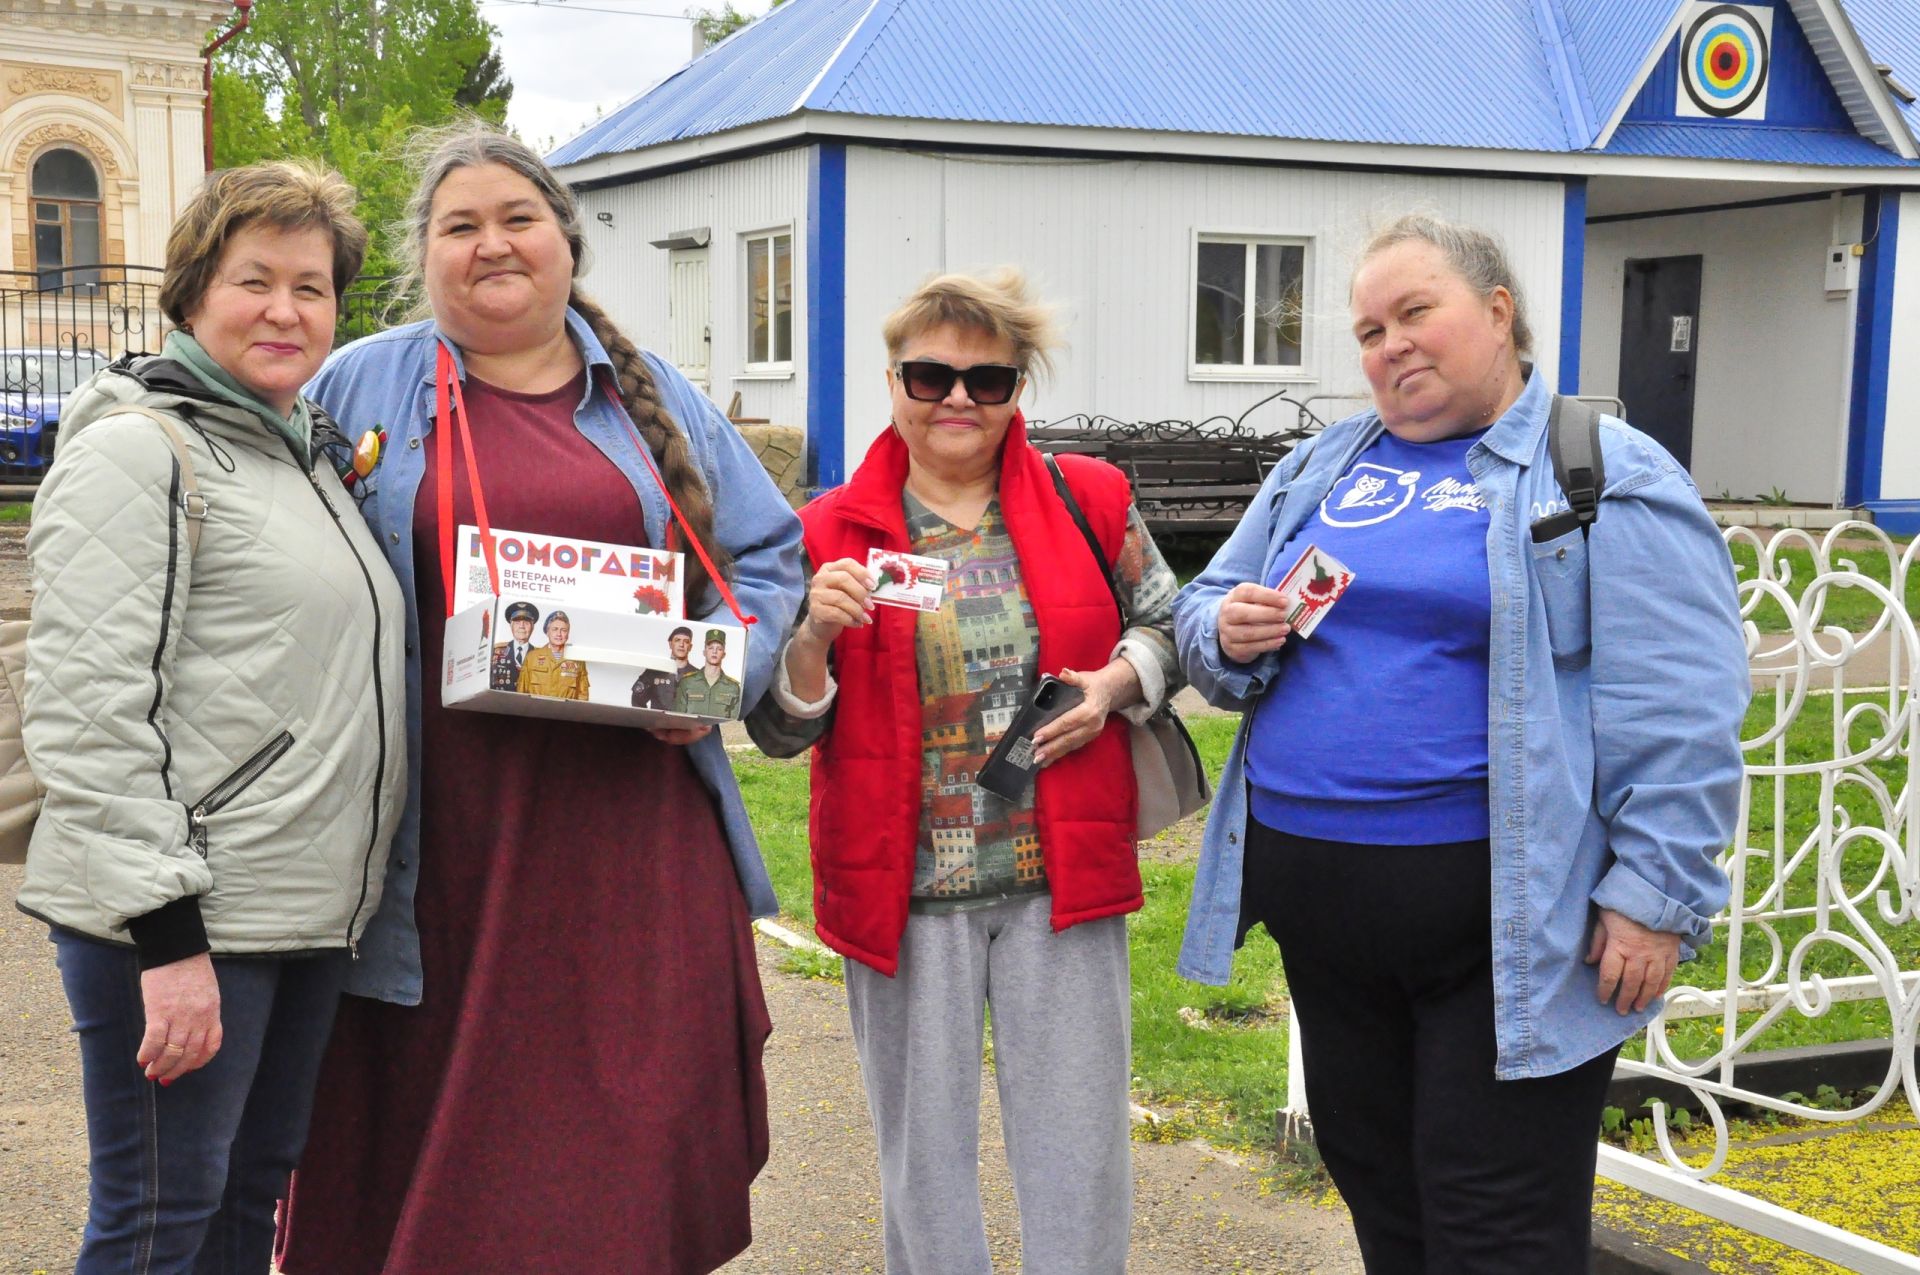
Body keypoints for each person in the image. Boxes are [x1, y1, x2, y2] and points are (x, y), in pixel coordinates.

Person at [275, 120, 803, 1275]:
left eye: (517, 219)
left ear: (566, 243)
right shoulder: (363, 382)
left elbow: (770, 563)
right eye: (459, 226)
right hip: (432, 849)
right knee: (426, 1148)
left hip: (626, 849)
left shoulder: (654, 396)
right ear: (427, 258)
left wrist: (720, 678)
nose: (492, 245)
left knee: (611, 1153)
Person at [1173, 213, 1748, 1273]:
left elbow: (1682, 703)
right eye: (1367, 329)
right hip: (1325, 917)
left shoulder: (1603, 475)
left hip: (1500, 925)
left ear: (1497, 313)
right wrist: (1226, 628)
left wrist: (1654, 895)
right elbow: (1204, 607)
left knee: (1495, 1227)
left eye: (1414, 312)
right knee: (1385, 1203)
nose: (1388, 344)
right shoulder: (1320, 467)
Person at [747, 268, 1184, 1275]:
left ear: (1016, 389)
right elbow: (778, 729)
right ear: (892, 379)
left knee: (1079, 1155)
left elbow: (1168, 623)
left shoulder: (1091, 500)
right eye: (932, 374)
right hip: (904, 893)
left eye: (986, 380)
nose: (956, 399)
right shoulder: (825, 537)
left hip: (1058, 883)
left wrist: (1118, 684)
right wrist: (813, 630)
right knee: (923, 1164)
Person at [14, 161, 406, 1274]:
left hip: (296, 916)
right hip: (184, 920)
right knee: (157, 1229)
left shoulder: (301, 455)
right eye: (255, 281)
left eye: (313, 287)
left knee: (244, 1211)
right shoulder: (145, 449)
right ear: (191, 296)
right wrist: (168, 939)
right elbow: (88, 711)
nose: (286, 309)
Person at [516, 609, 590, 700]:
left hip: (565, 713)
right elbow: (521, 694)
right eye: (554, 629)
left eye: (563, 630)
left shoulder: (577, 660)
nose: (559, 634)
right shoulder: (532, 657)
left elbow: (583, 697)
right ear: (547, 632)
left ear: (568, 634)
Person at [675, 626, 742, 717]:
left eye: (719, 649)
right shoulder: (687, 682)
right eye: (710, 648)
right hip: (690, 731)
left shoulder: (733, 687)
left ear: (724, 654)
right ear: (704, 652)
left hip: (718, 731)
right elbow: (677, 718)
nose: (714, 651)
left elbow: (733, 726)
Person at [633, 623, 693, 708]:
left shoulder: (698, 675)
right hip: (658, 721)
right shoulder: (655, 671)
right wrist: (650, 720)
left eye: (686, 642)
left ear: (690, 647)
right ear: (670, 644)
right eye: (677, 640)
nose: (681, 645)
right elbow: (637, 700)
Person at [490, 599, 538, 689]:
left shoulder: (540, 655)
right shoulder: (496, 651)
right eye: (517, 622)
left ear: (533, 626)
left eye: (526, 622)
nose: (521, 626)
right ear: (511, 625)